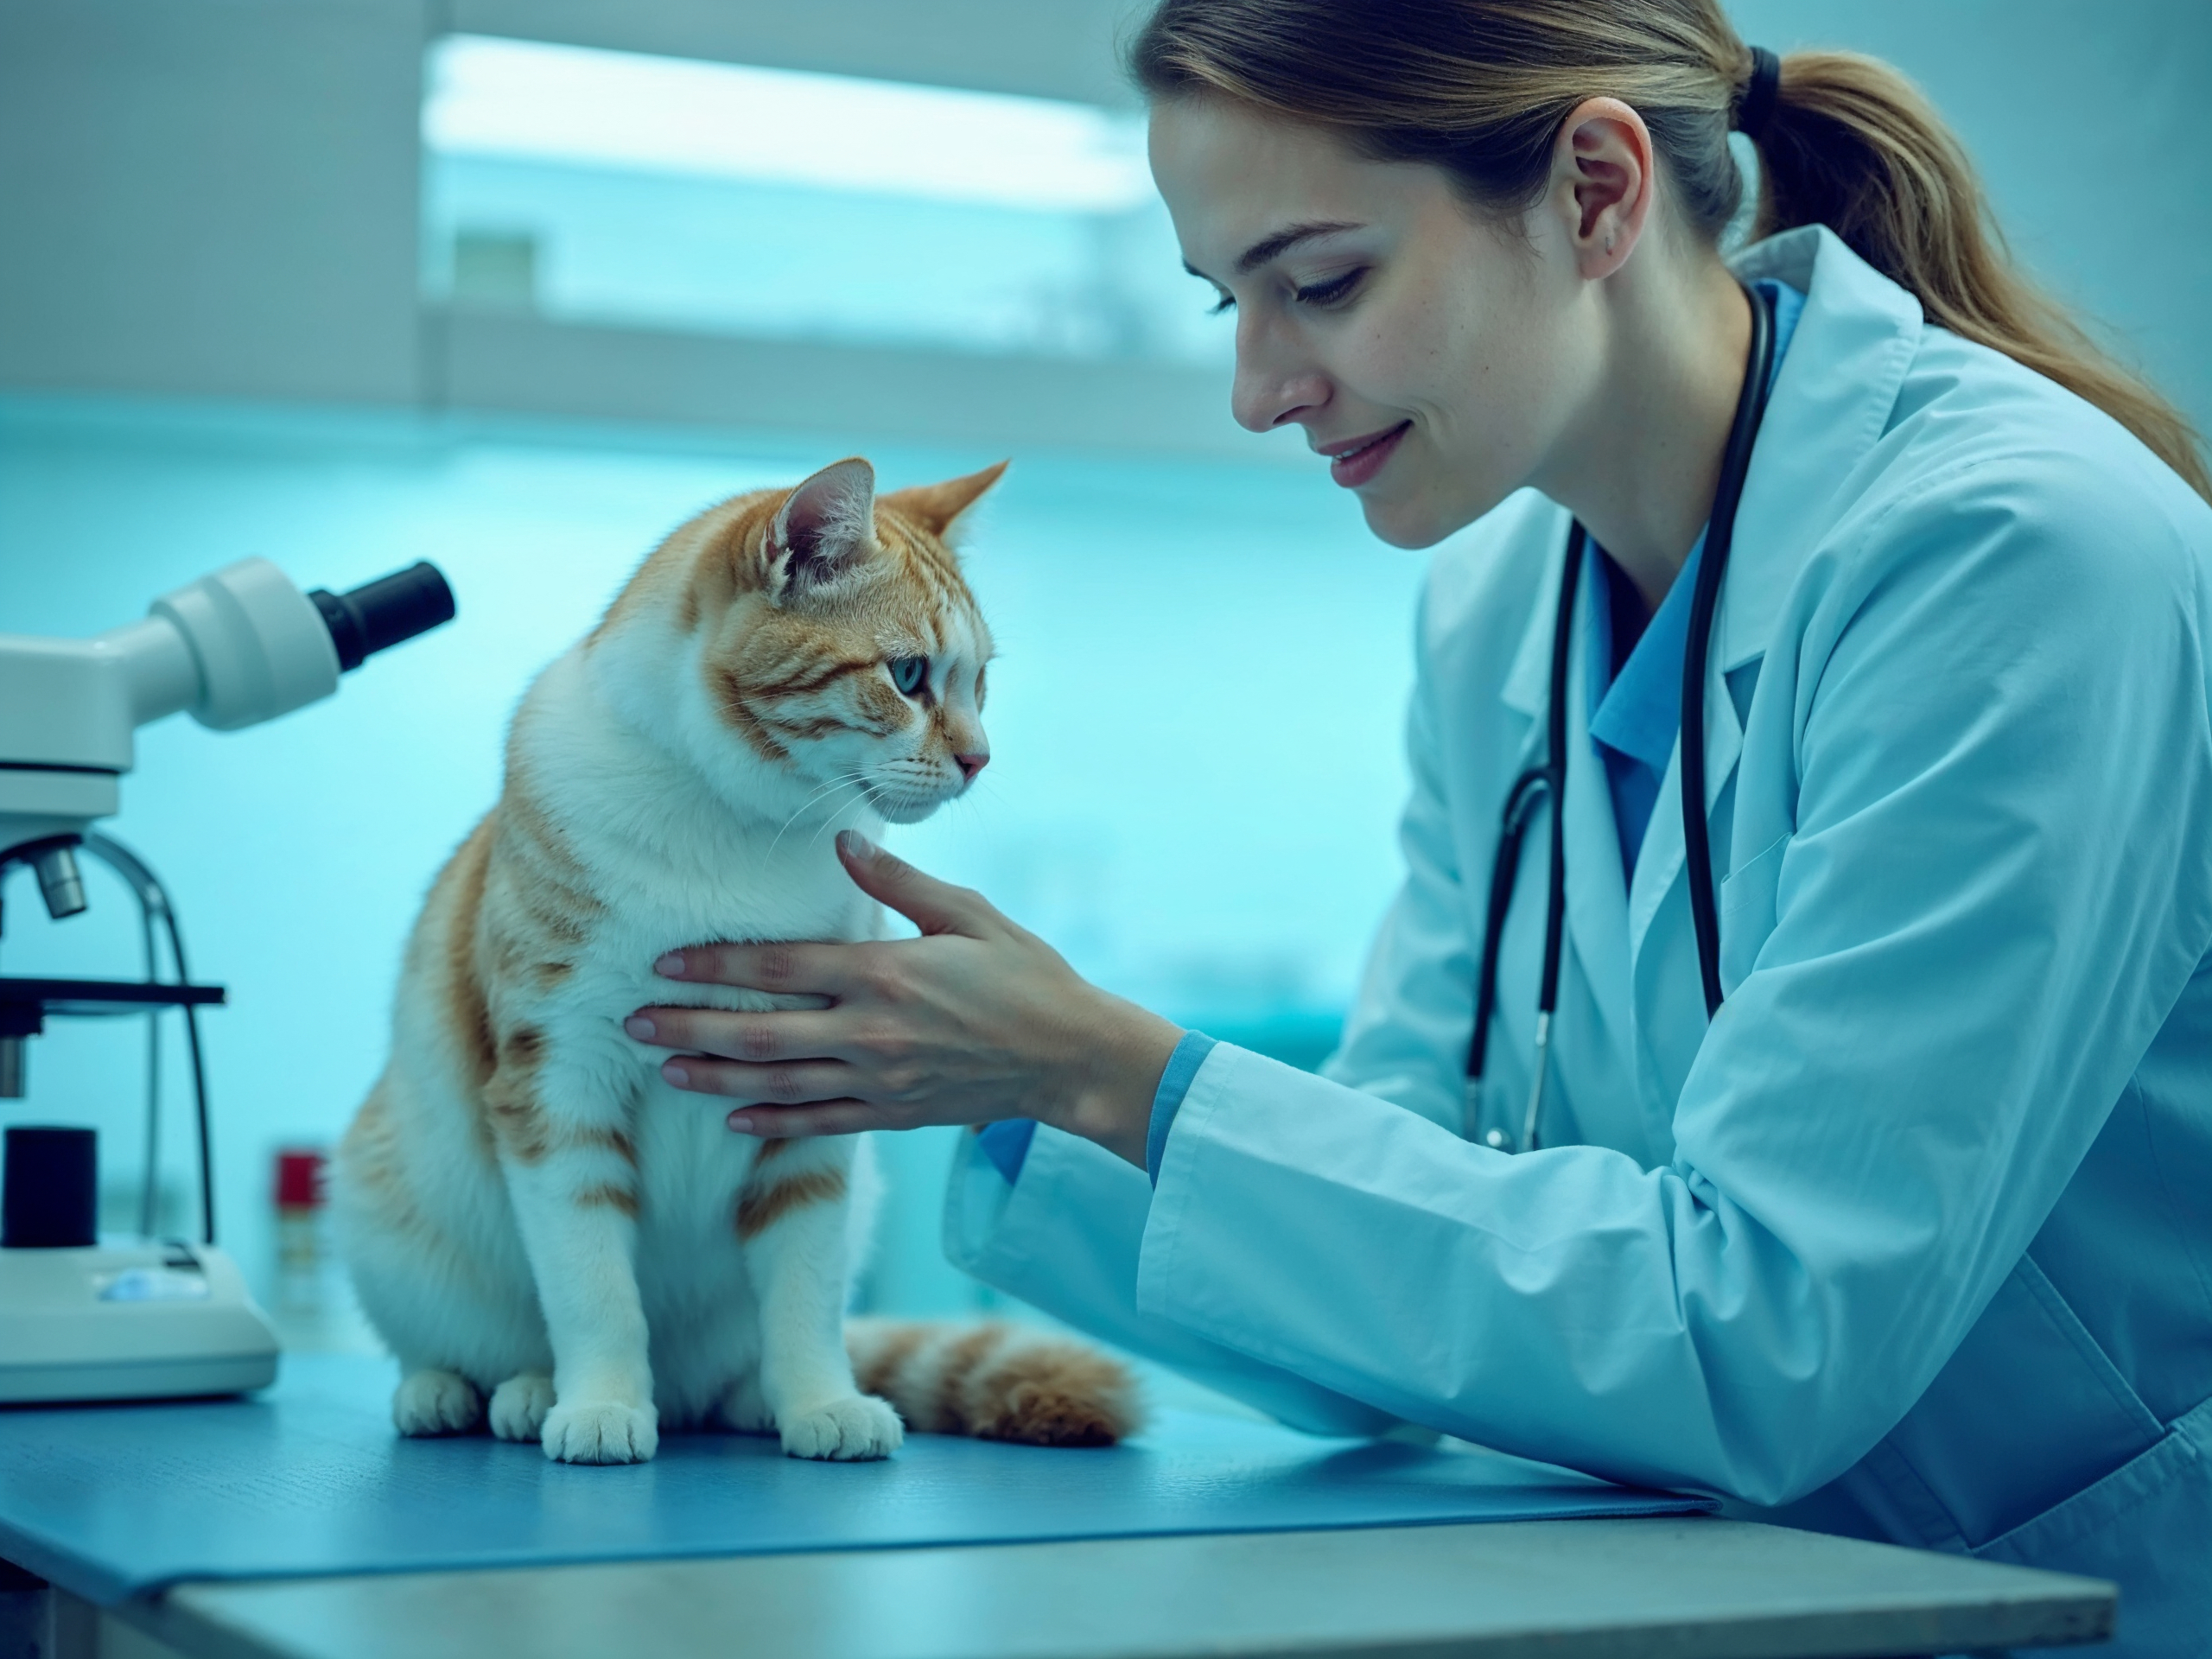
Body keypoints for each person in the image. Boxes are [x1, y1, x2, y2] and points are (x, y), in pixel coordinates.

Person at [626, 2, 2212, 1645]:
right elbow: (1391, 1243)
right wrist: (1003, 1080)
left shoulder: (2013, 557)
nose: (1257, 387)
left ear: (1597, 194)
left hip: (2075, 1600)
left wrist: (1110, 1068)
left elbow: (1766, 1340)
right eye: (1228, 300)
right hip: (1733, 1590)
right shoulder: (1500, 604)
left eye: (1319, 284)